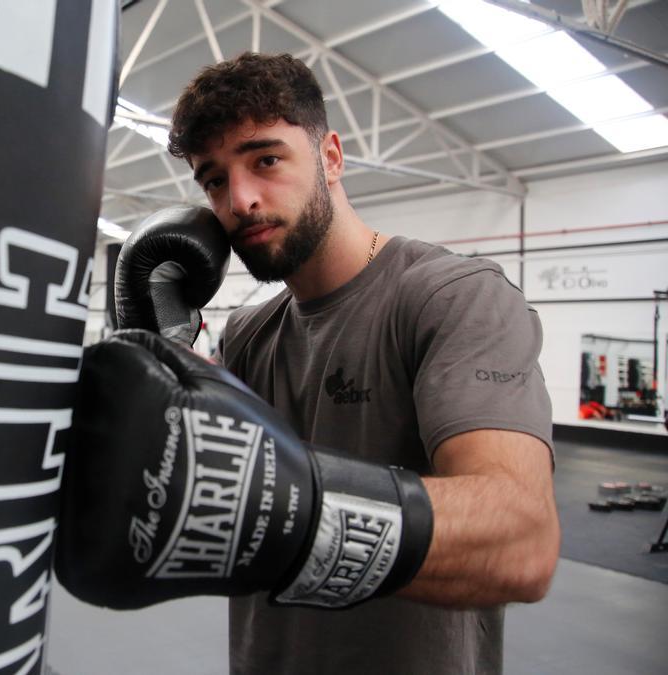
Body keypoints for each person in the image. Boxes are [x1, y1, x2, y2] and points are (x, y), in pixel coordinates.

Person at [161, 52, 560, 673]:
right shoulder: (247, 334)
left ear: (331, 157)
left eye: (266, 159)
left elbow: (521, 542)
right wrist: (154, 348)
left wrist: (278, 510)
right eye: (214, 179)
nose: (240, 200)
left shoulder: (451, 297)